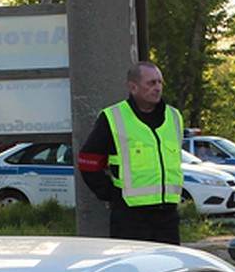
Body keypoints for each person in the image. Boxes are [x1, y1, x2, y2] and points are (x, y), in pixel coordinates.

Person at [77, 60, 184, 244]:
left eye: (160, 82)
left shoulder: (174, 116)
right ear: (133, 87)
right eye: (151, 83)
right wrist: (110, 194)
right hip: (131, 218)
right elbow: (88, 161)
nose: (157, 88)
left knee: (168, 269)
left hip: (167, 217)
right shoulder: (113, 117)